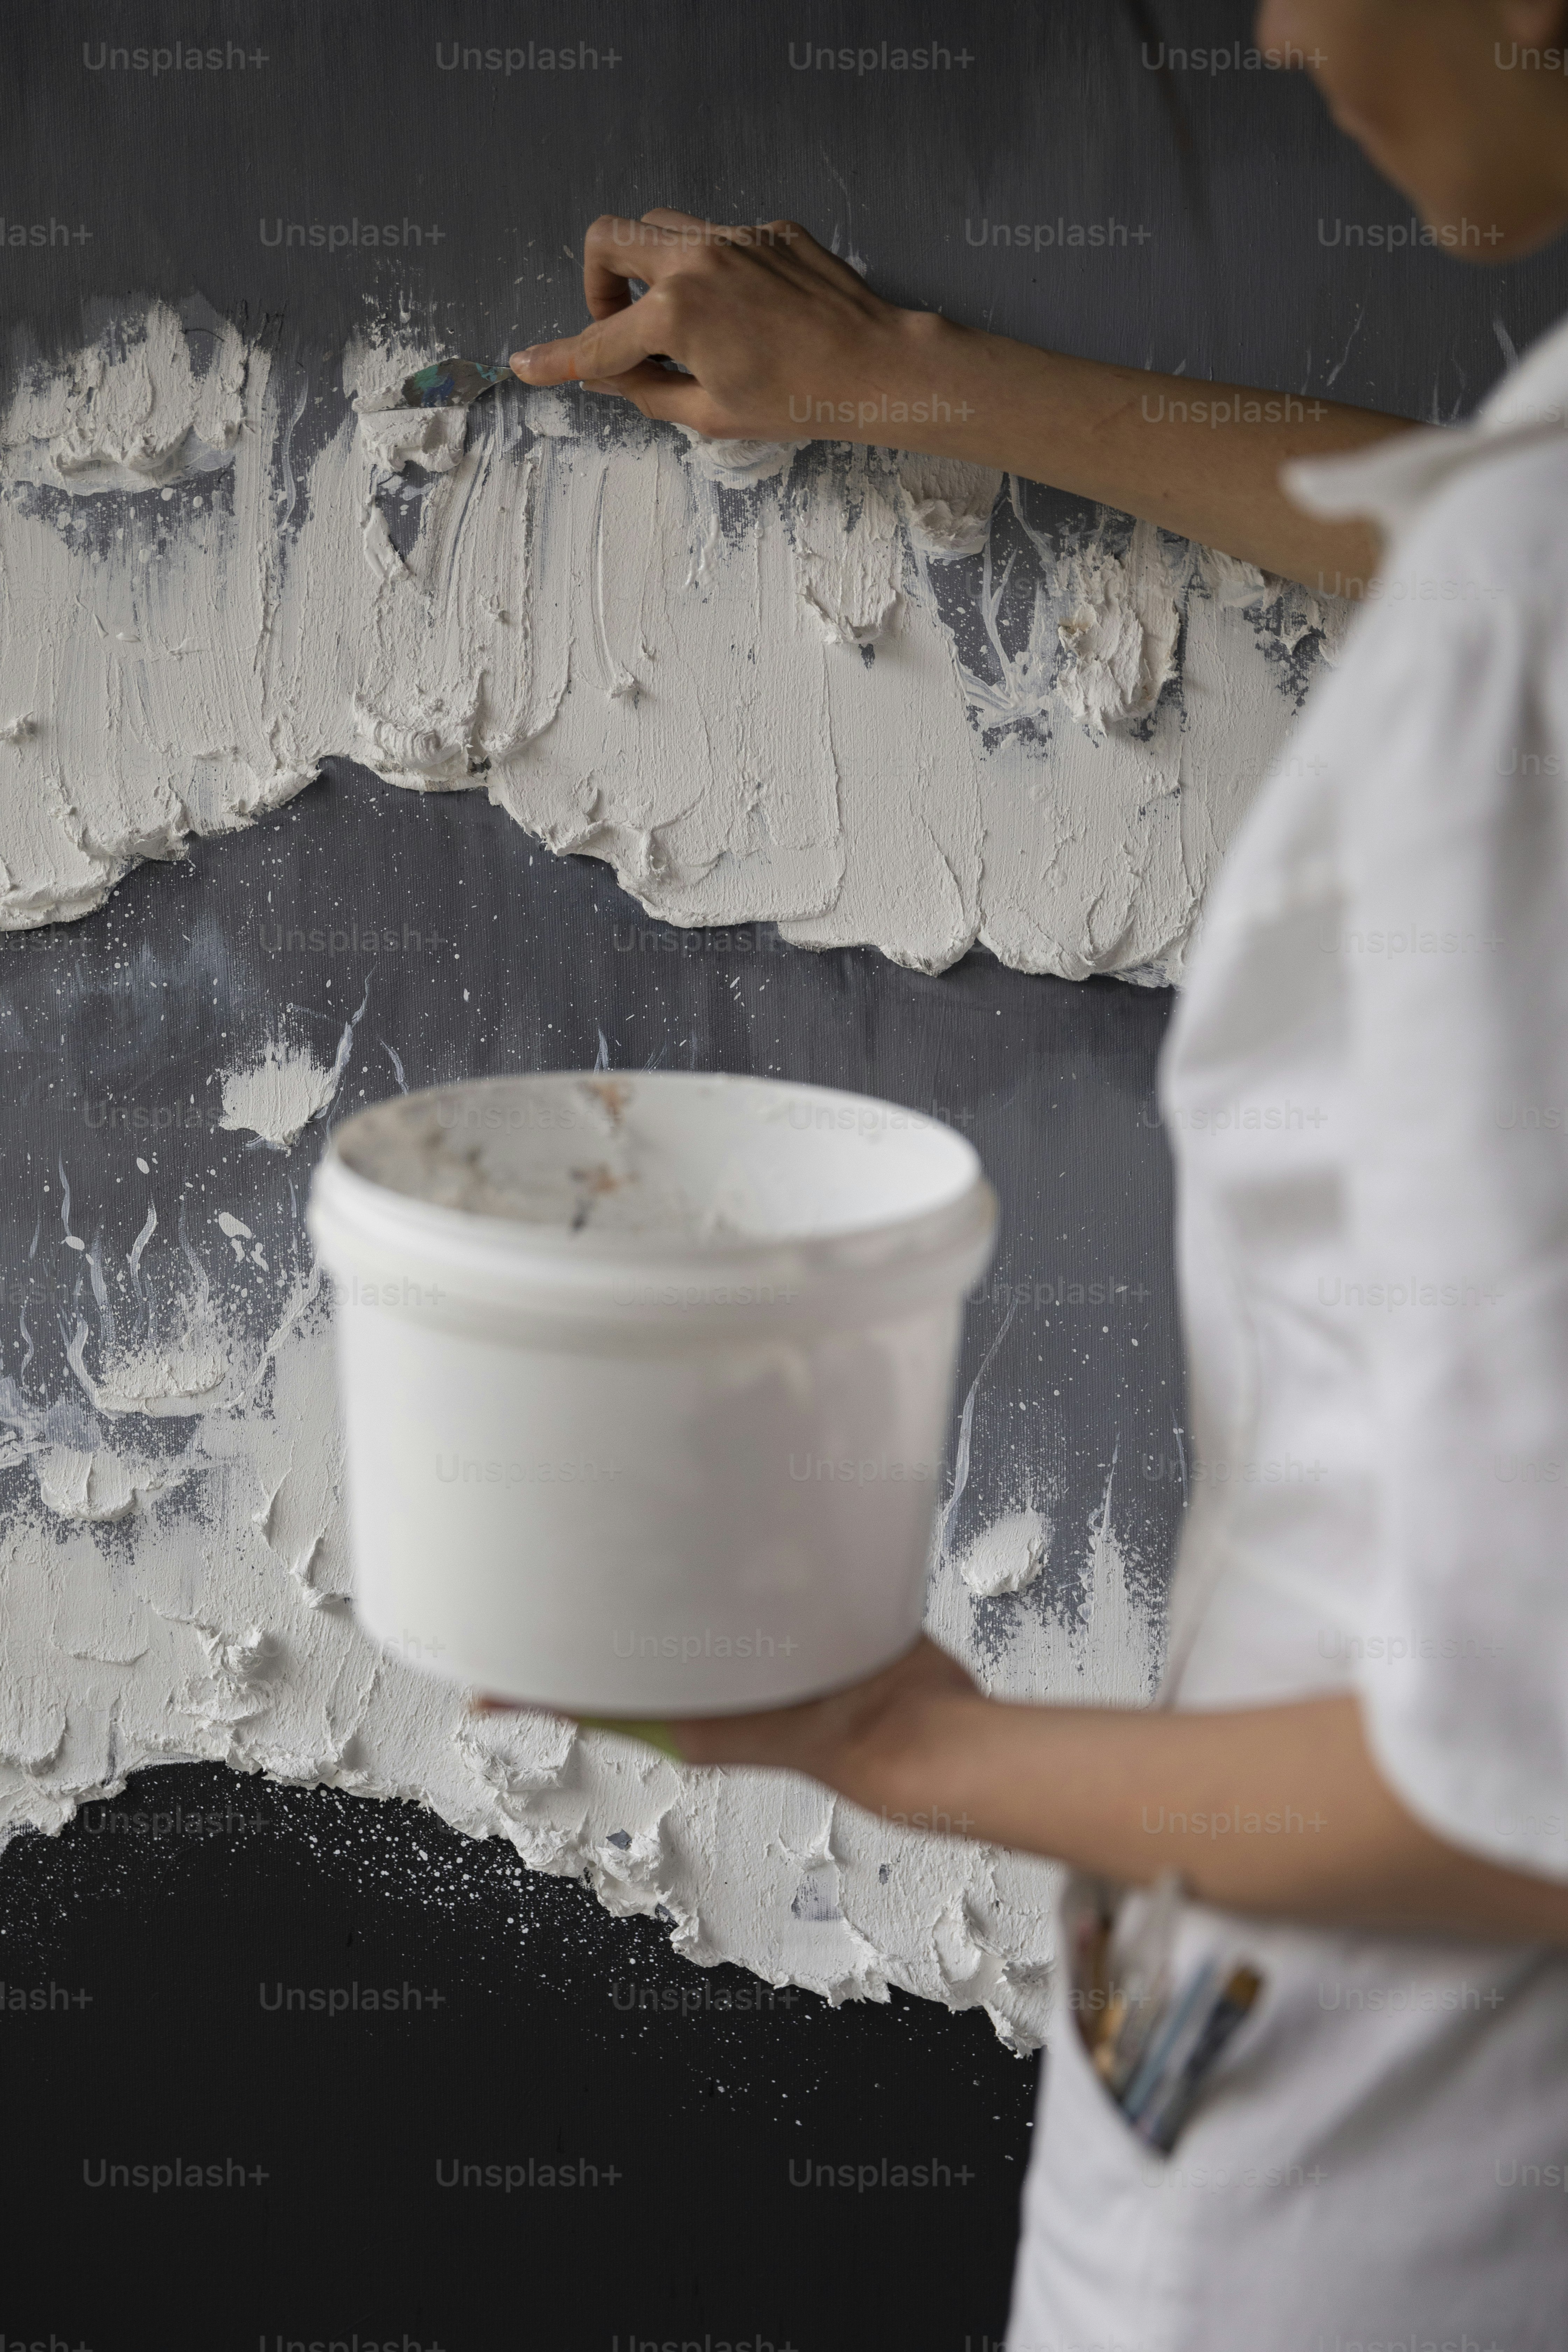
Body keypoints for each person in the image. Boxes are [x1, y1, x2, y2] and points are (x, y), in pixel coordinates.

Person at [509, 4, 1568, 2341]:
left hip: (1384, 2204)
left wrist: (894, 1740)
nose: (1282, 23)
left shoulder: (1517, 625)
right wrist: (895, 377)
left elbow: (1522, 1799)